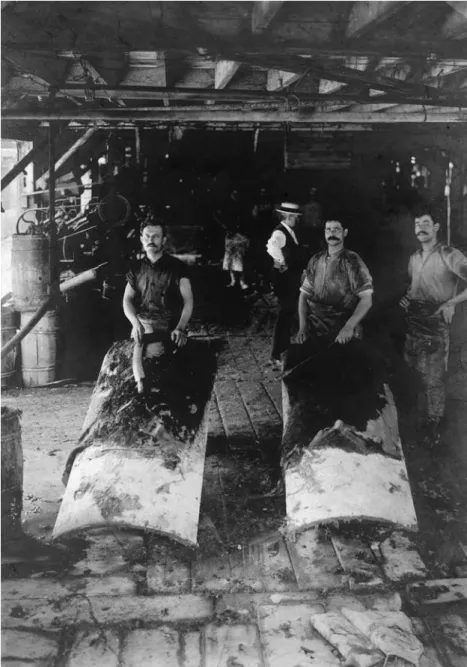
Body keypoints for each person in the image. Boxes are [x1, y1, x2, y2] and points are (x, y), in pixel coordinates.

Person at [400, 204, 467, 445]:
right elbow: (415, 284)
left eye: (426, 224)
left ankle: (434, 425)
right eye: (417, 225)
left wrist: (452, 302)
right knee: (413, 371)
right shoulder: (414, 258)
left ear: (437, 227)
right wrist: (407, 296)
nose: (421, 229)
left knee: (433, 377)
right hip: (413, 321)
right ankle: (419, 420)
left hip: (435, 322)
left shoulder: (449, 254)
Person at [297, 219, 373, 345]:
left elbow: (366, 299)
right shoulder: (316, 260)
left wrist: (349, 327)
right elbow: (304, 295)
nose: (332, 233)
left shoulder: (351, 261)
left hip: (340, 329)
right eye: (328, 230)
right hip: (314, 327)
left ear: (345, 232)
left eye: (337, 230)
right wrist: (303, 327)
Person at [123, 219, 194, 349]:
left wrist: (180, 328)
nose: (151, 240)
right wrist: (135, 323)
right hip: (142, 327)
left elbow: (188, 301)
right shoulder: (135, 267)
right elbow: (127, 299)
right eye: (147, 236)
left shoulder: (178, 267)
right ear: (141, 239)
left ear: (164, 240)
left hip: (170, 328)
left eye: (156, 236)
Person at [266, 201, 304, 365]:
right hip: (285, 281)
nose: (297, 220)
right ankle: (276, 353)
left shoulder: (289, 231)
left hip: (290, 279)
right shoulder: (280, 233)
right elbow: (272, 248)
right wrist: (282, 266)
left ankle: (283, 348)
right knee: (284, 314)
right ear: (288, 217)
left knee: (288, 313)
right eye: (295, 217)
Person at [222, 223, 250, 289]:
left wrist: (241, 248)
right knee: (231, 267)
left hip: (238, 253)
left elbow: (246, 242)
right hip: (230, 253)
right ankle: (233, 281)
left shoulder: (240, 236)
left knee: (240, 268)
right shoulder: (228, 236)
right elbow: (226, 245)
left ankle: (242, 282)